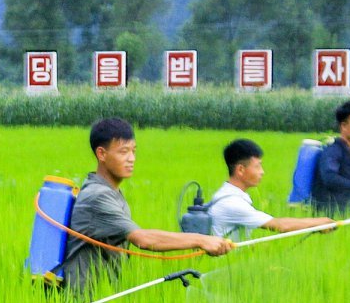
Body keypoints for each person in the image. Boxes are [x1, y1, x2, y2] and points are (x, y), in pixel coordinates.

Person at [63, 118, 231, 291]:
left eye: (133, 151)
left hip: (102, 293)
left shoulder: (110, 192)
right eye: (123, 152)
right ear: (102, 154)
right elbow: (143, 239)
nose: (131, 159)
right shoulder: (97, 196)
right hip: (83, 300)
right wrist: (201, 240)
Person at [209, 139, 335, 239]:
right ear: (240, 169)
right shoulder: (232, 203)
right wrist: (318, 222)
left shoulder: (228, 195)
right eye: (257, 166)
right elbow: (281, 226)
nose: (262, 172)